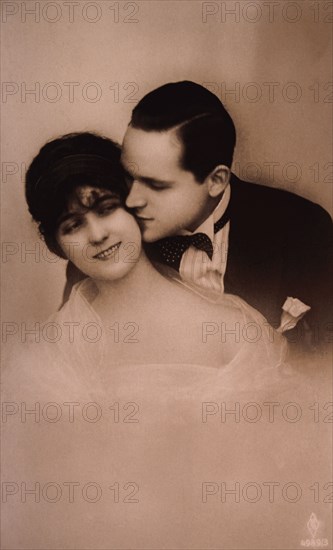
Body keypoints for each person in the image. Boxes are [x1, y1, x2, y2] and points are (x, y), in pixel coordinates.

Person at [2, 132, 331, 550]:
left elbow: (284, 477)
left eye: (107, 209)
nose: (98, 234)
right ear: (58, 244)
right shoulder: (47, 357)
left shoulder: (226, 326)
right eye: (73, 225)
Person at [65, 82, 333, 348]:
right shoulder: (108, 241)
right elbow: (77, 350)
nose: (132, 200)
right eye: (128, 177)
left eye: (156, 185)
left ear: (216, 180)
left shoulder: (304, 229)